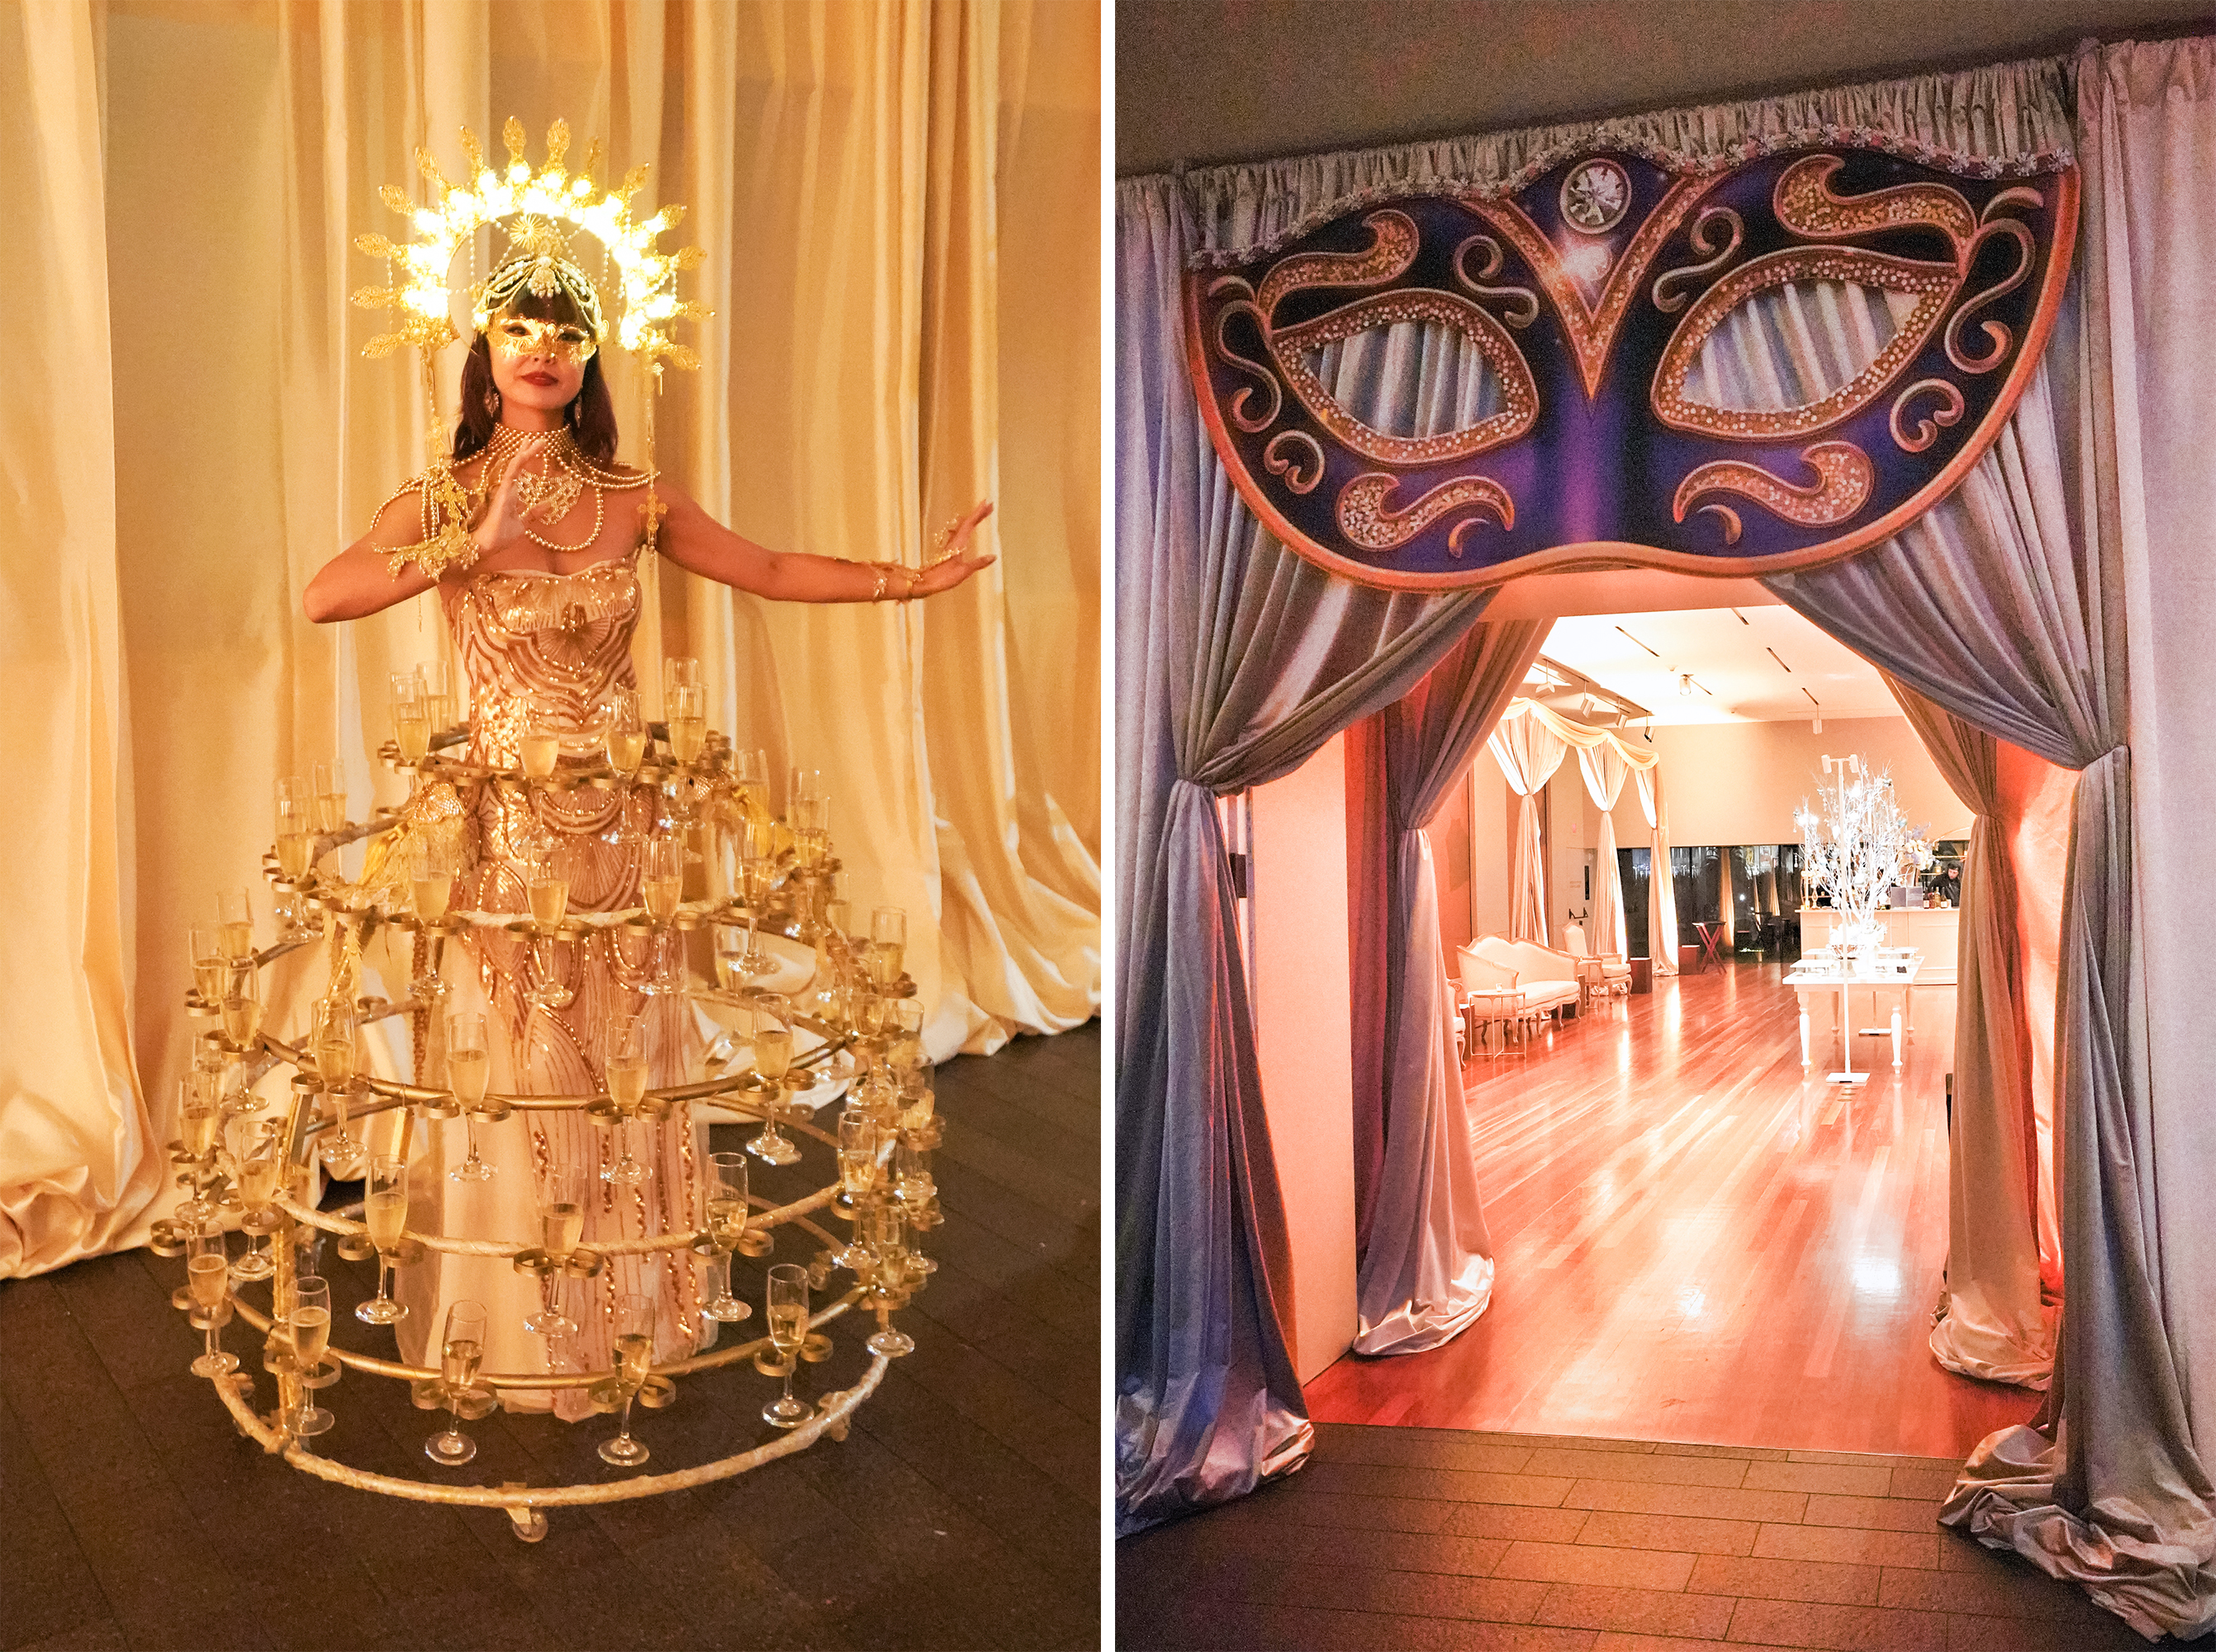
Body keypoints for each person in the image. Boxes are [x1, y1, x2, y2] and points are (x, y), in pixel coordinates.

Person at [300, 224, 991, 1418]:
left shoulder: (635, 497)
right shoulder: (442, 496)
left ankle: (632, 1312)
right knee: (520, 1067)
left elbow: (768, 567)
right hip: (505, 835)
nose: (545, 348)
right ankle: (523, 1333)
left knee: (629, 1066)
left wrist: (909, 582)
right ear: (480, 348)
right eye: (521, 326)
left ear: (594, 355)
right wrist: (477, 542)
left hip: (624, 828)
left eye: (569, 330)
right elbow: (324, 595)